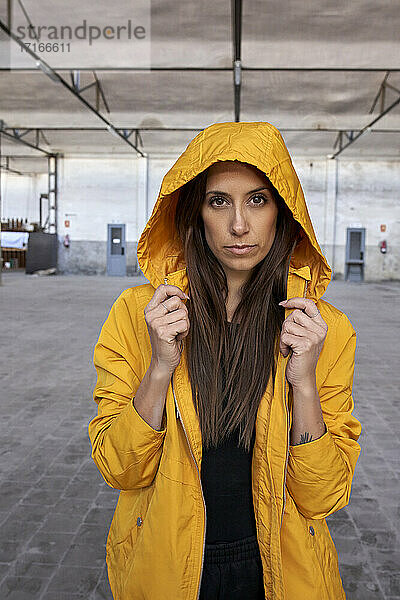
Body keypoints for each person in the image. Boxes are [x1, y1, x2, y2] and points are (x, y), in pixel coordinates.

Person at [88, 121, 362, 600]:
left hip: (279, 568)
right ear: (194, 213)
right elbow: (120, 470)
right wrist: (159, 368)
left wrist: (305, 384)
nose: (240, 225)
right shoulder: (139, 315)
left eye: (258, 199)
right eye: (220, 201)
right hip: (168, 568)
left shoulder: (324, 330)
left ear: (284, 212)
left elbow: (322, 496)